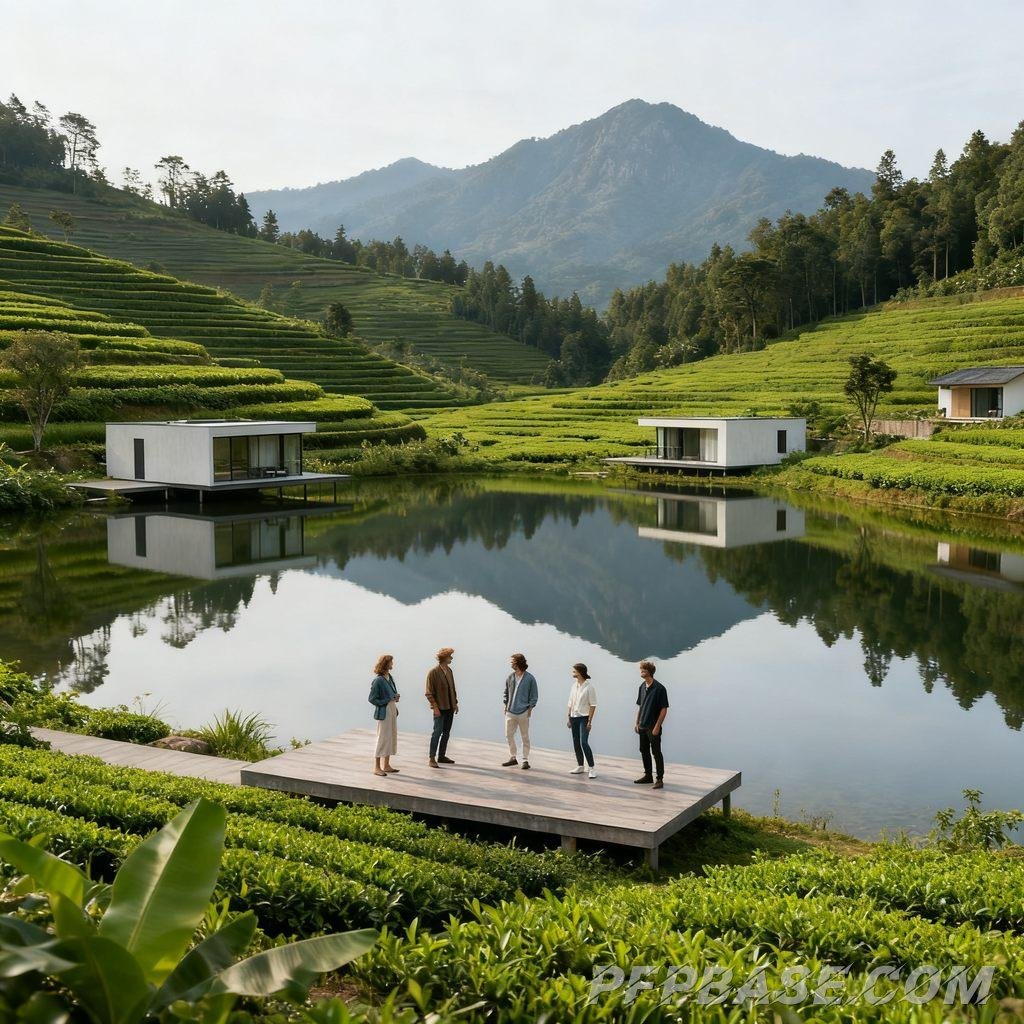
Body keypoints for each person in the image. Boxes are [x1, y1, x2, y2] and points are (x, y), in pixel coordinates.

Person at [634, 660, 668, 789]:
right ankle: (648, 776)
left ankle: (659, 779)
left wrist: (657, 726)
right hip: (642, 725)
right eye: (641, 669)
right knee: (643, 750)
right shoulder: (642, 687)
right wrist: (636, 722)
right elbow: (640, 706)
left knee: (656, 752)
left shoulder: (660, 688)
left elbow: (664, 709)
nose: (641, 671)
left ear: (649, 672)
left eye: (643, 669)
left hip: (653, 726)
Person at [502, 652, 538, 769]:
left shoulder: (530, 678)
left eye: (512, 661)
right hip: (510, 711)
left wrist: (530, 707)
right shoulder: (510, 677)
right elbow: (506, 693)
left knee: (525, 736)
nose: (510, 663)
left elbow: (534, 695)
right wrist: (505, 705)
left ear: (518, 663)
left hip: (523, 712)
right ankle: (513, 757)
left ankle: (525, 760)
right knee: (508, 735)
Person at [425, 646, 459, 768]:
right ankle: (431, 758)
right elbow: (429, 693)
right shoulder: (433, 672)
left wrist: (455, 704)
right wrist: (435, 707)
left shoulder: (449, 671)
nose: (452, 658)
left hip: (449, 707)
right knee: (437, 732)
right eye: (450, 656)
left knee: (446, 733)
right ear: (444, 657)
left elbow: (452, 689)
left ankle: (441, 756)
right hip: (439, 708)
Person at [368, 653, 400, 777]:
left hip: (391, 709)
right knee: (382, 738)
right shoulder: (378, 680)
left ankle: (386, 765)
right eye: (391, 662)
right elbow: (372, 699)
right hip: (384, 711)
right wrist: (386, 701)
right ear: (386, 664)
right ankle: (376, 767)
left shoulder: (389, 677)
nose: (393, 664)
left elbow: (390, 694)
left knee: (391, 736)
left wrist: (394, 700)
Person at [566, 662, 597, 778]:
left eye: (574, 671)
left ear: (580, 672)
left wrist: (589, 721)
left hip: (584, 718)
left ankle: (592, 768)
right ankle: (580, 766)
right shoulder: (574, 686)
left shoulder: (589, 687)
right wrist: (569, 716)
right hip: (574, 717)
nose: (573, 673)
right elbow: (570, 702)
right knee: (576, 741)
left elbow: (593, 705)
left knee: (584, 742)